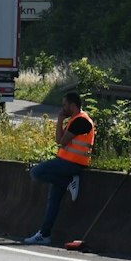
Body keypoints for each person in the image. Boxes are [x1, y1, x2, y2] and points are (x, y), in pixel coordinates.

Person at [23, 92, 94, 245]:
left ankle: (69, 180)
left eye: (64, 105)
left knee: (36, 172)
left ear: (72, 105)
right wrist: (61, 119)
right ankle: (45, 234)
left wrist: (62, 120)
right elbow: (58, 140)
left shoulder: (81, 121)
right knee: (53, 201)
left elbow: (62, 142)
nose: (63, 108)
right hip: (65, 163)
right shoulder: (74, 120)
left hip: (72, 164)